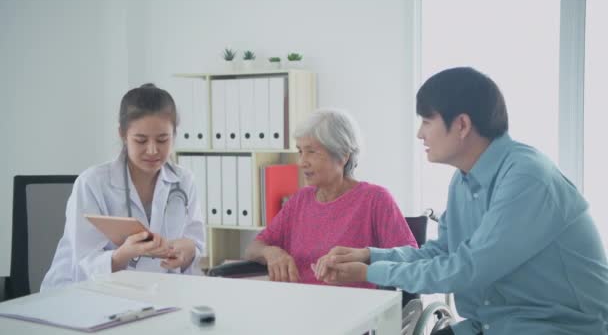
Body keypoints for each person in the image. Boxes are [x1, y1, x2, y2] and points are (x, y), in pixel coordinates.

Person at [314, 68, 608, 334]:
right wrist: (371, 255)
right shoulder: (463, 180)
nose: (420, 133)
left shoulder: (528, 178)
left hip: (557, 327)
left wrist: (370, 272)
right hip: (494, 322)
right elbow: (444, 250)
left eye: (427, 121)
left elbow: (469, 267)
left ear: (462, 125)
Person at [41, 83, 206, 289]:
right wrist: (124, 254)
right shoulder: (92, 183)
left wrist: (188, 251)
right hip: (85, 296)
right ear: (123, 134)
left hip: (158, 294)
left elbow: (195, 244)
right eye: (141, 140)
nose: (153, 150)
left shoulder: (184, 180)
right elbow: (81, 265)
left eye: (163, 139)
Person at [244, 109, 418, 288]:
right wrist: (271, 252)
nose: (302, 162)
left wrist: (366, 257)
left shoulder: (375, 199)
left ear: (343, 156)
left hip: (356, 307)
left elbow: (410, 257)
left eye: (311, 152)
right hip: (301, 304)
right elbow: (253, 248)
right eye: (300, 151)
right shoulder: (299, 200)